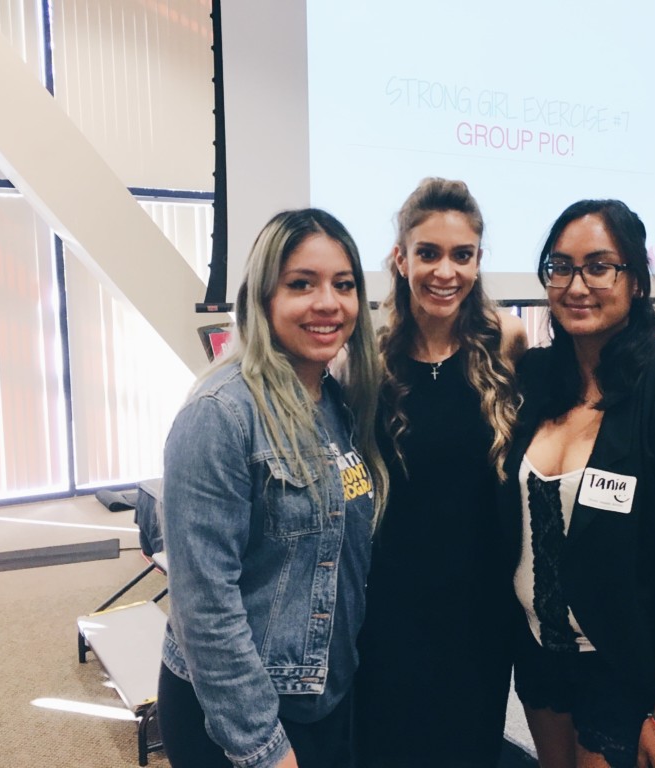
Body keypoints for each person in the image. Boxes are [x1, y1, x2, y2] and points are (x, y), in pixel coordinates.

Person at [498, 199, 655, 768]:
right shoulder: (535, 379)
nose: (577, 285)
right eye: (561, 267)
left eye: (599, 266)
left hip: (631, 661)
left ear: (635, 280)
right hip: (542, 651)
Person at [157, 208, 388, 768]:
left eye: (344, 284)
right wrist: (264, 747)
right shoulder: (221, 415)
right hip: (238, 717)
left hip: (322, 699)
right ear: (263, 299)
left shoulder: (336, 403)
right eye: (301, 284)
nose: (328, 303)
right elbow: (205, 610)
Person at [353, 177, 527, 768]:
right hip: (392, 597)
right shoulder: (371, 358)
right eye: (428, 253)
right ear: (401, 259)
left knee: (468, 744)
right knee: (391, 743)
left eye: (462, 255)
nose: (444, 271)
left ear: (479, 261)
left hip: (482, 600)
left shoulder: (507, 341)